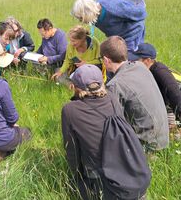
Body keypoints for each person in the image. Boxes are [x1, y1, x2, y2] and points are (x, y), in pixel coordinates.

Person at [62, 64, 146, 200]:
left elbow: (71, 148)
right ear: (102, 83)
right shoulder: (112, 98)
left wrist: (75, 175)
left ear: (76, 87)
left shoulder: (70, 110)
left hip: (99, 175)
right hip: (127, 164)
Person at [100, 36, 169, 151]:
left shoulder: (115, 85)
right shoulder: (140, 66)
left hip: (149, 145)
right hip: (163, 136)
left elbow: (114, 122)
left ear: (106, 60)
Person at [132, 43, 181, 140]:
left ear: (148, 60)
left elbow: (175, 95)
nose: (134, 63)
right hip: (158, 109)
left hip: (170, 111)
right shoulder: (146, 70)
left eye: (137, 60)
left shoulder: (160, 72)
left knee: (175, 139)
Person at [71, 0, 147, 60]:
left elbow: (141, 12)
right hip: (118, 37)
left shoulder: (113, 7)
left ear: (88, 12)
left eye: (81, 18)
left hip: (132, 33)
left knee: (128, 61)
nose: (81, 21)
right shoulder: (94, 16)